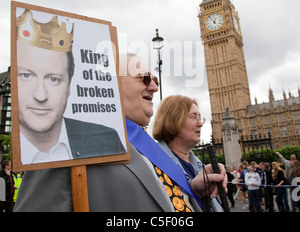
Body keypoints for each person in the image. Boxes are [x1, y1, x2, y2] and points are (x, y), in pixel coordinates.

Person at [15, 53, 227, 212]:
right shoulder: (66, 145)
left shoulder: (145, 148)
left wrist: (192, 189)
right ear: (111, 83)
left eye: (155, 80)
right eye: (144, 78)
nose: (153, 87)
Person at [16, 9, 126, 164]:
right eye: (26, 76)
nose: (40, 95)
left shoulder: (107, 139)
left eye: (53, 79)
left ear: (69, 85)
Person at [151, 94, 227, 212]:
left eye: (200, 117)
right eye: (193, 117)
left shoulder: (198, 164)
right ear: (174, 120)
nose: (200, 123)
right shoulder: (154, 165)